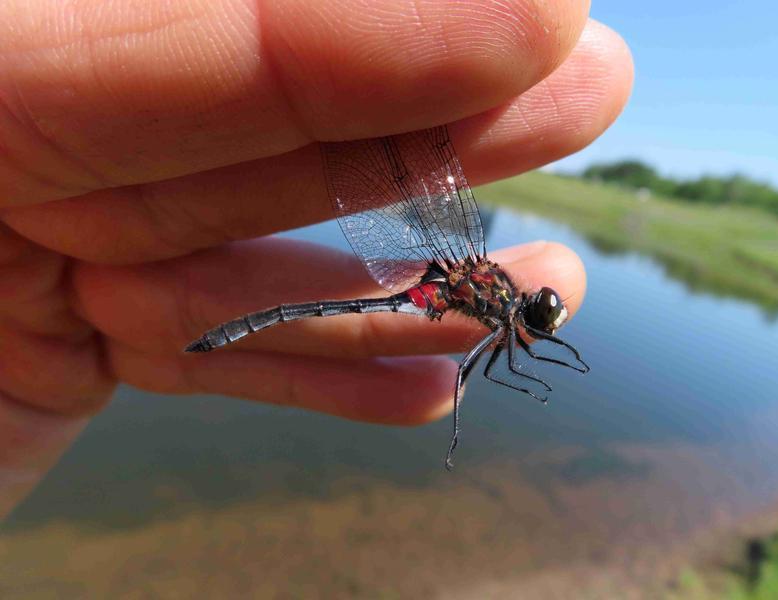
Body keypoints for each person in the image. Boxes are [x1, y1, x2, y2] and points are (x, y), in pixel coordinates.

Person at [0, 0, 633, 518]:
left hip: (435, 286)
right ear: (521, 307)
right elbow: (495, 365)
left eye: (543, 317)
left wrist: (545, 360)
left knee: (467, 372)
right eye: (542, 317)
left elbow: (501, 365)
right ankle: (248, 330)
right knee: (456, 369)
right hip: (434, 288)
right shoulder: (495, 305)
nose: (542, 319)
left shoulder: (500, 312)